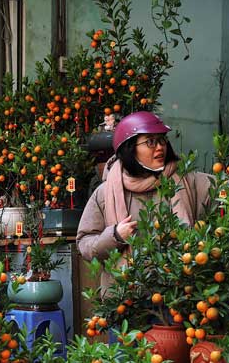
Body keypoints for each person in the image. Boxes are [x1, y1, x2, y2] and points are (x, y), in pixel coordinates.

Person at [77, 111, 213, 291]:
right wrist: (114, 236)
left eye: (162, 140)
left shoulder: (190, 182)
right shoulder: (105, 192)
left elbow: (227, 192)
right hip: (127, 298)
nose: (160, 147)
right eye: (150, 142)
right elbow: (85, 243)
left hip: (179, 296)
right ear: (129, 148)